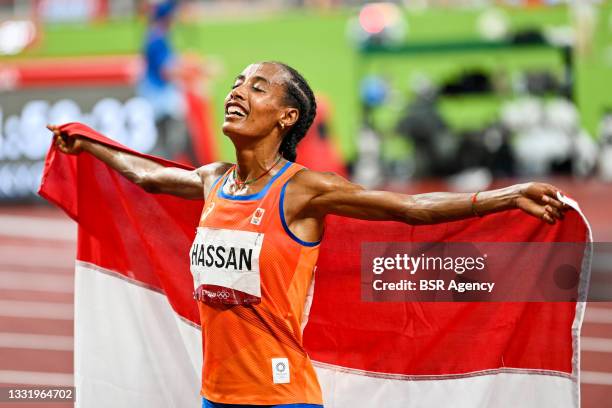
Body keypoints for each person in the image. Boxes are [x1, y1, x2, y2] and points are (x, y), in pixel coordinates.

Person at [47, 61, 568, 408]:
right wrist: (90, 144)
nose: (237, 92)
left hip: (280, 395)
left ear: (287, 116)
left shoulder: (303, 191)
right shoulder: (213, 180)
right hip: (214, 395)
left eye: (257, 87)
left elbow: (408, 208)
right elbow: (146, 176)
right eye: (237, 83)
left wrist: (499, 196)